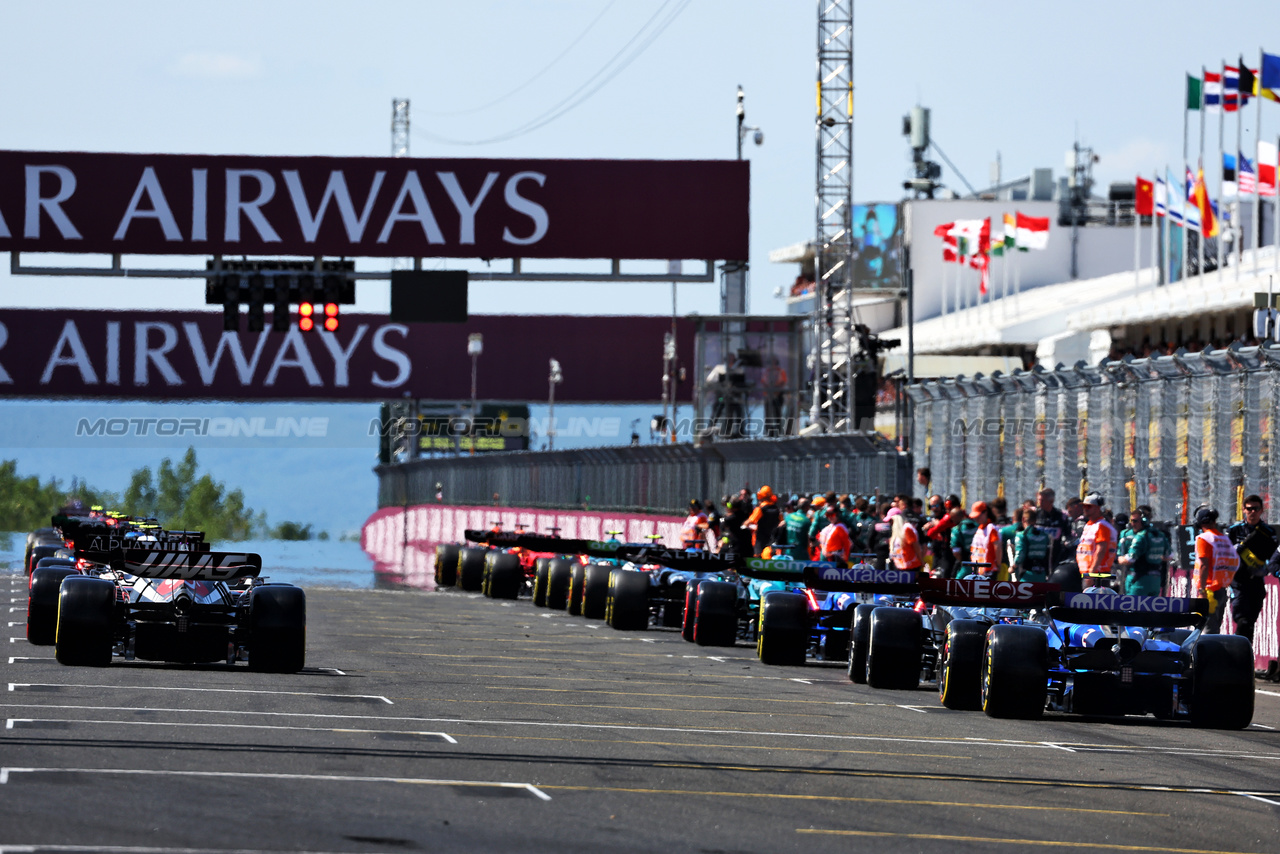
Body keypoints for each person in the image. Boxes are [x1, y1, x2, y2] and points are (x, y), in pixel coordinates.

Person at [1226, 495, 1278, 642]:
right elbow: (1224, 553)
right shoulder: (1234, 530)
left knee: (1250, 622)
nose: (1252, 512)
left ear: (1261, 510)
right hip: (1238, 582)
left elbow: (1274, 556)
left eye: (1256, 509)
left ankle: (1246, 654)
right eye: (1249, 509)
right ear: (1243, 510)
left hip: (1256, 582)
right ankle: (1238, 653)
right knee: (1242, 619)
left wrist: (1265, 568)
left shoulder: (1268, 532)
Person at [1192, 506, 1239, 634]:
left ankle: (1207, 654)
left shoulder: (1204, 539)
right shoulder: (1224, 539)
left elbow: (1204, 565)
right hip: (1221, 589)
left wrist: (1201, 590)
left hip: (1208, 590)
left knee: (1206, 628)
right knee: (1215, 627)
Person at [1116, 508, 1168, 597]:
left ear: (1144, 521)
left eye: (1135, 521)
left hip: (1138, 580)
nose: (1133, 524)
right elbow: (1168, 556)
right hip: (1155, 579)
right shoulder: (1160, 535)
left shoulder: (1140, 536)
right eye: (1131, 521)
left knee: (1133, 608)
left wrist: (1120, 559)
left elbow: (1130, 559)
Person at [1075, 493, 1117, 590]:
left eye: (1089, 506)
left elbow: (1101, 550)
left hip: (1098, 575)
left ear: (1098, 508)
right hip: (1089, 573)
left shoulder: (1101, 526)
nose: (1085, 509)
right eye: (1084, 506)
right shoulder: (1089, 525)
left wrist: (1091, 573)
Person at [1012, 506, 1053, 582]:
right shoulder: (1044, 535)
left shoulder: (1021, 535)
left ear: (1023, 519)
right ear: (1035, 520)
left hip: (1027, 575)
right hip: (1042, 574)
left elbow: (1020, 554)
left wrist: (1014, 566)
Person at [962, 501, 1001, 579]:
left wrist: (998, 565)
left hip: (988, 571)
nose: (976, 519)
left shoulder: (991, 528)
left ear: (985, 513)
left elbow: (998, 547)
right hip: (978, 570)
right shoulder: (980, 528)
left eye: (978, 516)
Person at [1034, 488, 1072, 565]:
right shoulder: (1035, 514)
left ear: (1051, 501)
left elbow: (1068, 536)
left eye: (1042, 501)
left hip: (1055, 556)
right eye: (1039, 500)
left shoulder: (1061, 516)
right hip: (1037, 555)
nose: (1039, 503)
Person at [743, 485, 781, 557]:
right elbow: (781, 522)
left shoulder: (760, 509)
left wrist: (743, 525)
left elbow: (750, 521)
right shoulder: (777, 510)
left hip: (761, 539)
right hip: (772, 539)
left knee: (757, 557)